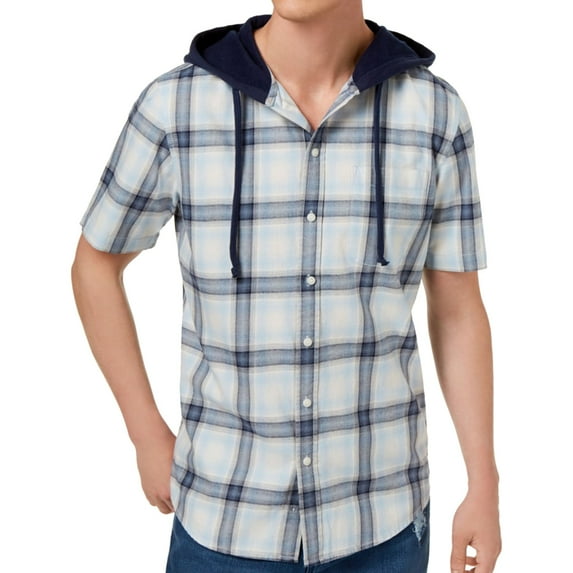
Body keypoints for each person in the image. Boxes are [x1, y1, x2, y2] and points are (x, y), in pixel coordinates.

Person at [71, 1, 501, 572]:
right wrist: (144, 431)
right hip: (225, 518)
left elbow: (457, 308)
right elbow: (95, 264)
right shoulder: (176, 107)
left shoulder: (435, 113)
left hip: (383, 518)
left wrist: (483, 481)